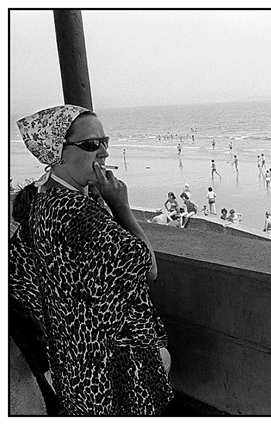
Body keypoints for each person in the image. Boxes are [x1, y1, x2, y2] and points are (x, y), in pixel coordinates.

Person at [11, 105, 172, 414]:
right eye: (89, 144)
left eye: (104, 141)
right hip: (98, 364)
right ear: (56, 151)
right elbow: (147, 267)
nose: (103, 153)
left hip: (64, 350)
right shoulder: (74, 211)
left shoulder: (37, 197)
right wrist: (121, 206)